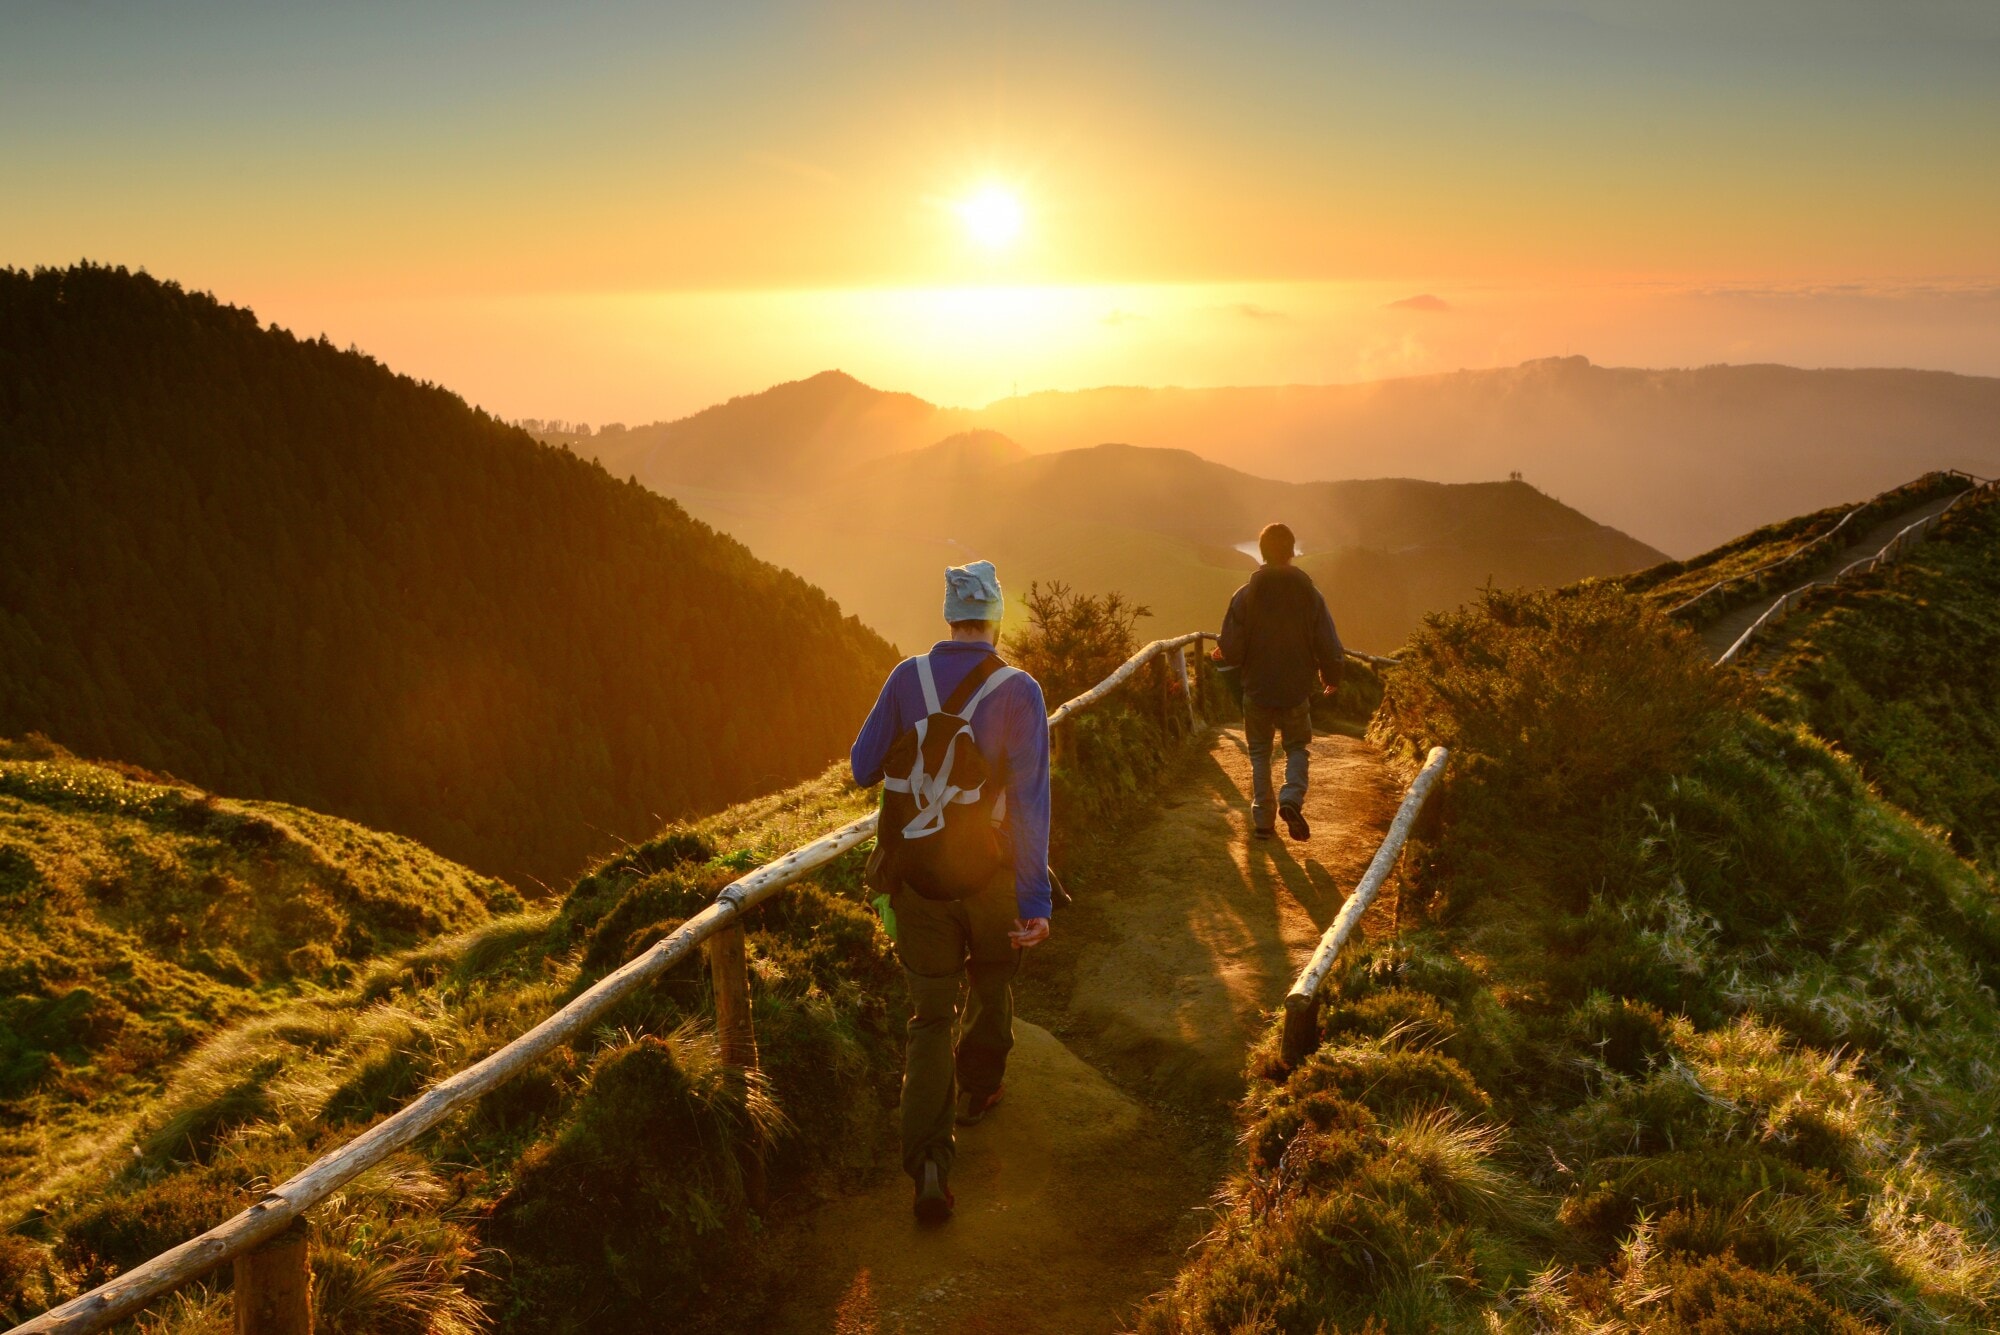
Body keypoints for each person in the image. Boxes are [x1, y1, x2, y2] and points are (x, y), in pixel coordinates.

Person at [849, 559, 1052, 1225]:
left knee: (930, 1017)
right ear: (995, 617)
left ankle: (931, 1161)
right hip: (989, 875)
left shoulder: (908, 677)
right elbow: (1030, 804)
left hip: (920, 881)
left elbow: (861, 766)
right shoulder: (1019, 690)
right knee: (994, 981)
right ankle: (981, 1087)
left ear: (949, 614)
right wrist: (1035, 901)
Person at [1217, 523, 1345, 841]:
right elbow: (1328, 642)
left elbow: (1231, 650)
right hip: (1296, 689)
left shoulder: (1245, 595)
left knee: (1259, 752)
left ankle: (1263, 822)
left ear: (1262, 553)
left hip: (1257, 688)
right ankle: (1291, 798)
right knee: (1297, 746)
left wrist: (1221, 656)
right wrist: (1331, 676)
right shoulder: (1310, 594)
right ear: (1290, 552)